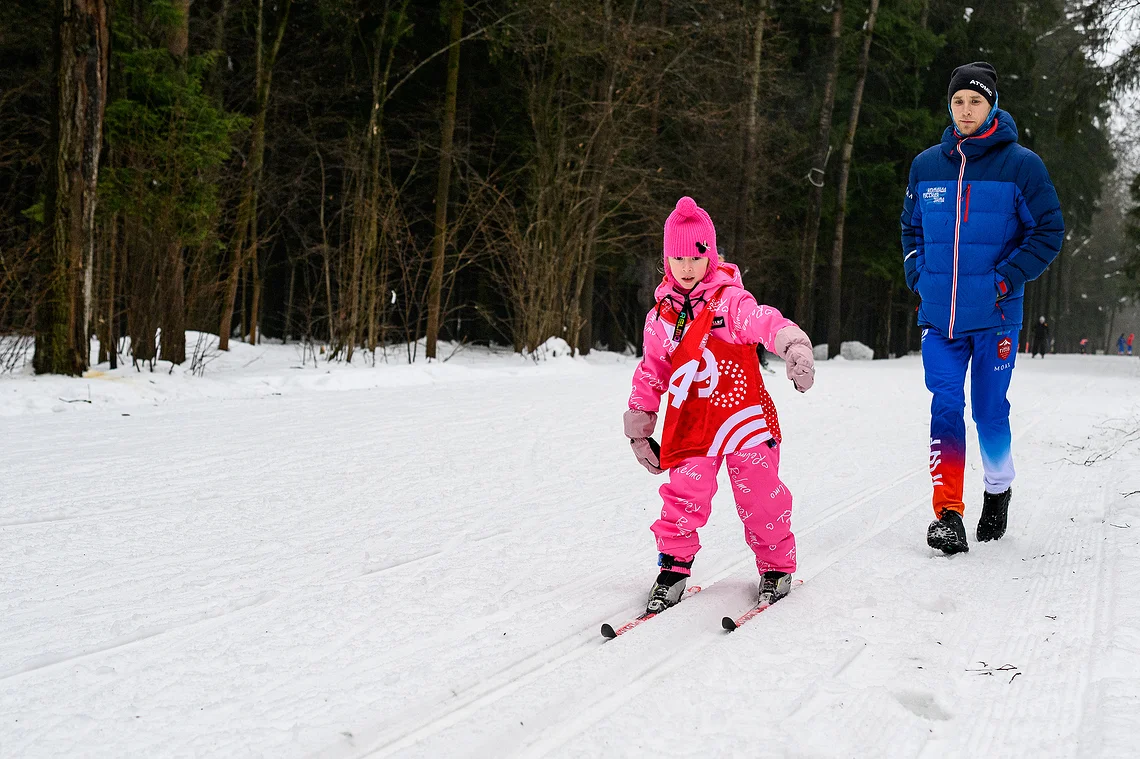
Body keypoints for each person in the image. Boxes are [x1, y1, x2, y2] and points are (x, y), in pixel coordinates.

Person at [900, 62, 1064, 554]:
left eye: (975, 101)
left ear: (991, 105)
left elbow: (1048, 231)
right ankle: (948, 514)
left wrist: (1004, 278)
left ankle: (997, 489)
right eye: (958, 102)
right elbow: (910, 228)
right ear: (949, 107)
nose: (965, 110)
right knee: (946, 407)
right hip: (940, 319)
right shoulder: (926, 166)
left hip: (995, 316)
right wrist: (918, 275)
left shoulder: (1021, 165)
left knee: (990, 412)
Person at [624, 196, 815, 613]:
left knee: (761, 498)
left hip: (745, 421)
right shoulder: (660, 318)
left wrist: (793, 345)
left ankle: (776, 567)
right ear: (666, 259)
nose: (687, 267)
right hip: (694, 425)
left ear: (710, 255)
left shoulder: (729, 302)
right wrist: (640, 427)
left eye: (696, 256)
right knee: (682, 496)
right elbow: (652, 371)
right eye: (677, 257)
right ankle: (673, 568)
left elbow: (764, 321)